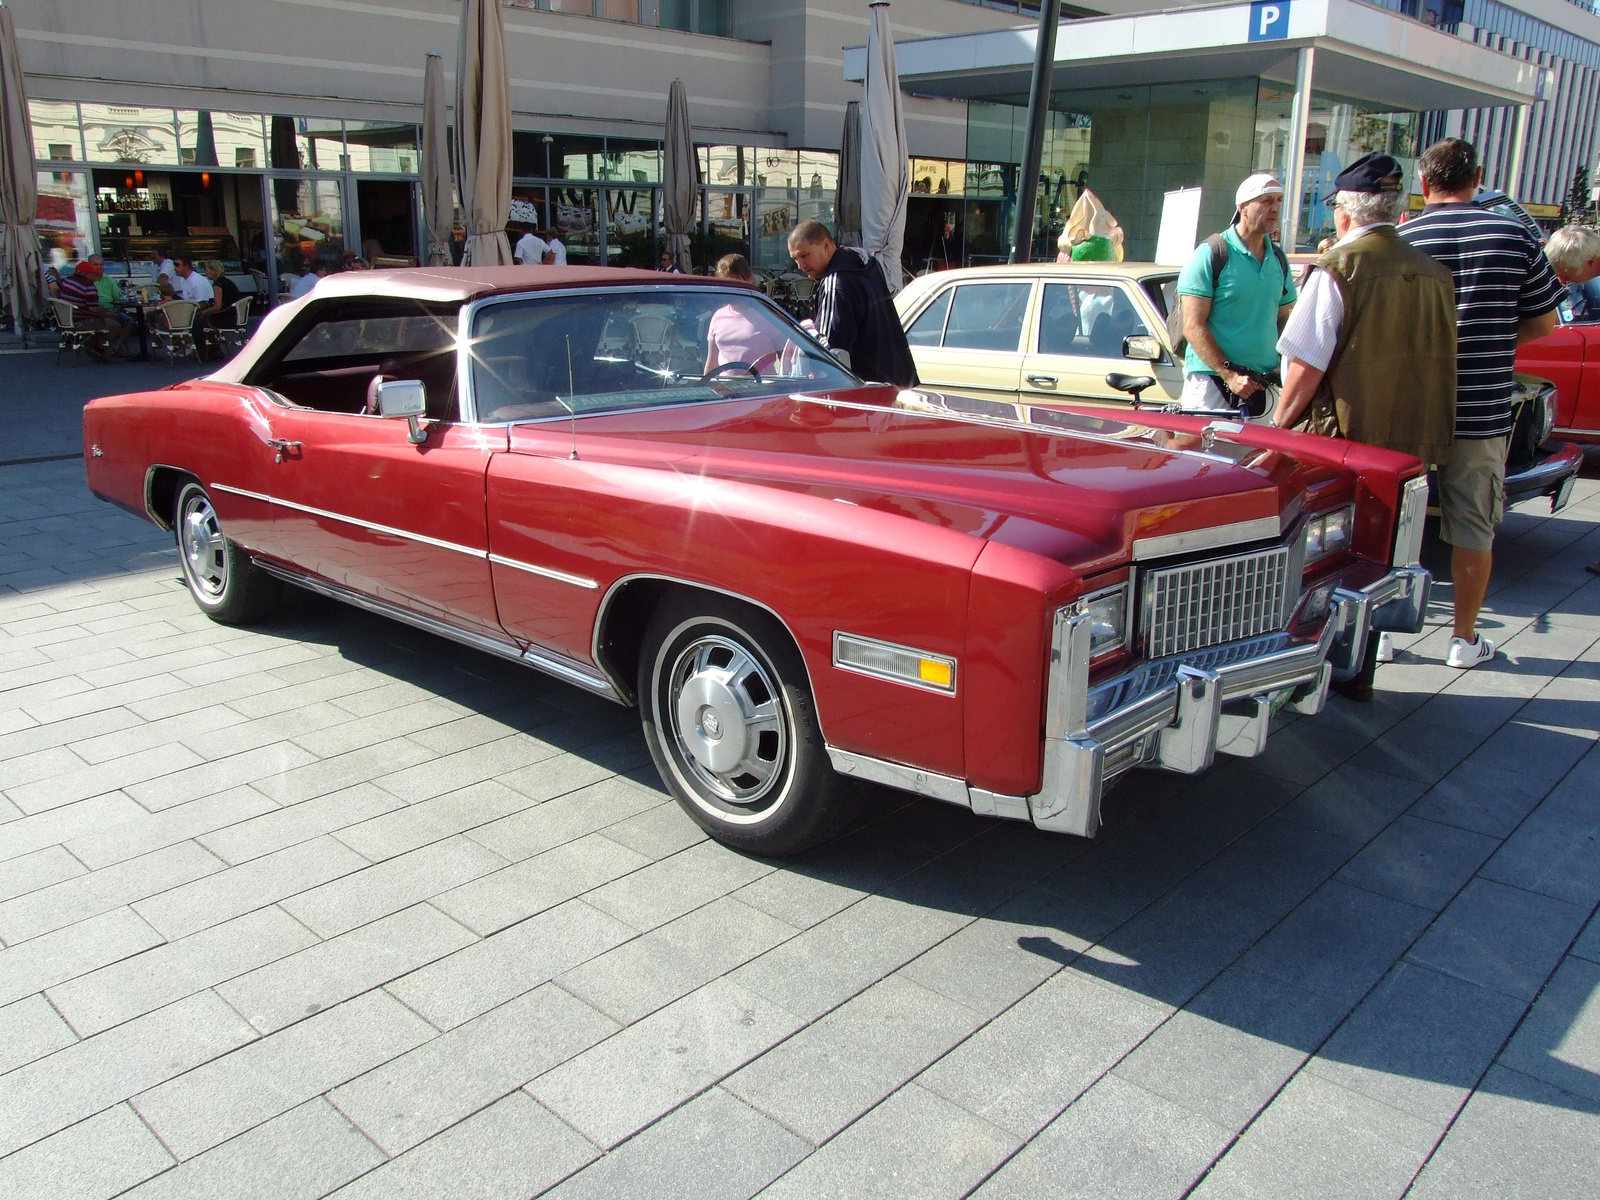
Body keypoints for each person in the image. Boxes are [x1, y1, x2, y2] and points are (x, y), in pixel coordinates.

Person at [1273, 154, 1459, 698]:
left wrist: (1278, 430)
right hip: (1413, 441)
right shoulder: (1434, 273)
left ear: (1345, 212)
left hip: (1345, 441)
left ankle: (1318, 672)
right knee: (1390, 554)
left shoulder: (1339, 268)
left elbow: (1305, 366)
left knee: (1323, 559)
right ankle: (1364, 672)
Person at [1400, 138, 1566, 669]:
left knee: (1399, 523)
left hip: (1412, 410)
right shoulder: (1515, 233)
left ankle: (1383, 633)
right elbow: (1545, 321)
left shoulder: (1405, 237)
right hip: (1483, 405)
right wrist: (1492, 336)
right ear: (1479, 177)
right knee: (1474, 525)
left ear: (1425, 185)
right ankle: (1463, 640)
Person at [1176, 173, 1297, 414]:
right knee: (1195, 451)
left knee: (1259, 453)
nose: (1275, 208)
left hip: (1263, 385)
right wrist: (1229, 374)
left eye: (1279, 200)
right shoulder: (1211, 254)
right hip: (1212, 382)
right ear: (1242, 207)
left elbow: (1286, 319)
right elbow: (1192, 325)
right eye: (1266, 201)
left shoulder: (1279, 259)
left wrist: (1284, 365)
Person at [787, 219, 917, 387]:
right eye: (795, 259)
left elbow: (830, 354)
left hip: (864, 392)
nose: (800, 265)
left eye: (805, 255)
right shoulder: (867, 263)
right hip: (898, 381)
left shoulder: (836, 282)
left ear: (826, 245)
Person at [704, 254, 782, 373]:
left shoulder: (768, 314)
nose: (730, 289)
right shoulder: (718, 316)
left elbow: (785, 359)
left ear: (748, 280)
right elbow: (712, 364)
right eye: (724, 283)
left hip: (762, 389)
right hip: (725, 389)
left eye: (734, 282)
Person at [58, 258, 129, 361]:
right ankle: (94, 345)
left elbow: (54, 286)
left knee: (111, 318)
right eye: (94, 274)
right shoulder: (88, 286)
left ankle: (96, 345)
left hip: (67, 321)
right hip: (81, 322)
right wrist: (106, 313)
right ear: (86, 274)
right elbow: (93, 310)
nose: (96, 276)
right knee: (115, 325)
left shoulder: (65, 281)